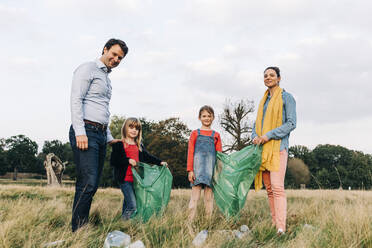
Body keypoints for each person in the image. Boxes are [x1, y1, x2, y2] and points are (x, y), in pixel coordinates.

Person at [69, 38, 128, 232]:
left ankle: (82, 224)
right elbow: (76, 99)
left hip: (100, 134)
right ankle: (78, 230)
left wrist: (109, 137)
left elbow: (102, 110)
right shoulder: (88, 69)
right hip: (86, 131)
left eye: (120, 58)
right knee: (88, 182)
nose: (116, 59)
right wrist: (80, 132)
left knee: (92, 183)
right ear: (105, 49)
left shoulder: (106, 79)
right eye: (114, 54)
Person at [252, 66, 296, 235]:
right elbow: (257, 124)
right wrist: (255, 136)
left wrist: (268, 135)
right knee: (269, 190)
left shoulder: (287, 97)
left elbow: (291, 123)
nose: (268, 78)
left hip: (278, 148)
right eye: (265, 76)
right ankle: (274, 223)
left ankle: (281, 228)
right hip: (263, 150)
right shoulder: (263, 100)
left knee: (277, 188)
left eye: (271, 75)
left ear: (279, 78)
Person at [110, 117, 168, 220]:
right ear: (125, 128)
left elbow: (148, 157)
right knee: (132, 206)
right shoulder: (119, 144)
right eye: (131, 127)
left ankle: (124, 223)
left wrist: (160, 162)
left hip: (137, 181)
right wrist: (127, 160)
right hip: (125, 180)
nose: (134, 130)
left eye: (136, 128)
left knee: (128, 203)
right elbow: (114, 161)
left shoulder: (139, 145)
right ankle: (124, 223)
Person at [187, 105, 222, 221]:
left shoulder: (216, 135)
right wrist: (190, 170)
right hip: (197, 170)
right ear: (199, 117)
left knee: (209, 198)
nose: (207, 118)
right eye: (204, 116)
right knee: (194, 197)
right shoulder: (194, 134)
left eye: (209, 116)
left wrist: (218, 172)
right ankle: (190, 221)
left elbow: (219, 155)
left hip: (210, 171)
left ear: (213, 118)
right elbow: (190, 152)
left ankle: (208, 222)